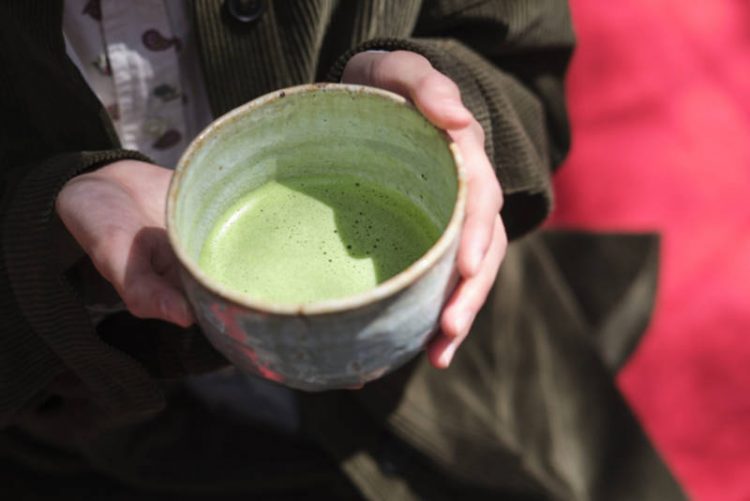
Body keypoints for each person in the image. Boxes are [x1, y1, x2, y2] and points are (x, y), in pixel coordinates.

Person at [0, 0, 685, 499]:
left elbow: (518, 48)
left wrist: (455, 106)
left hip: (470, 371)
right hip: (111, 430)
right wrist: (45, 226)